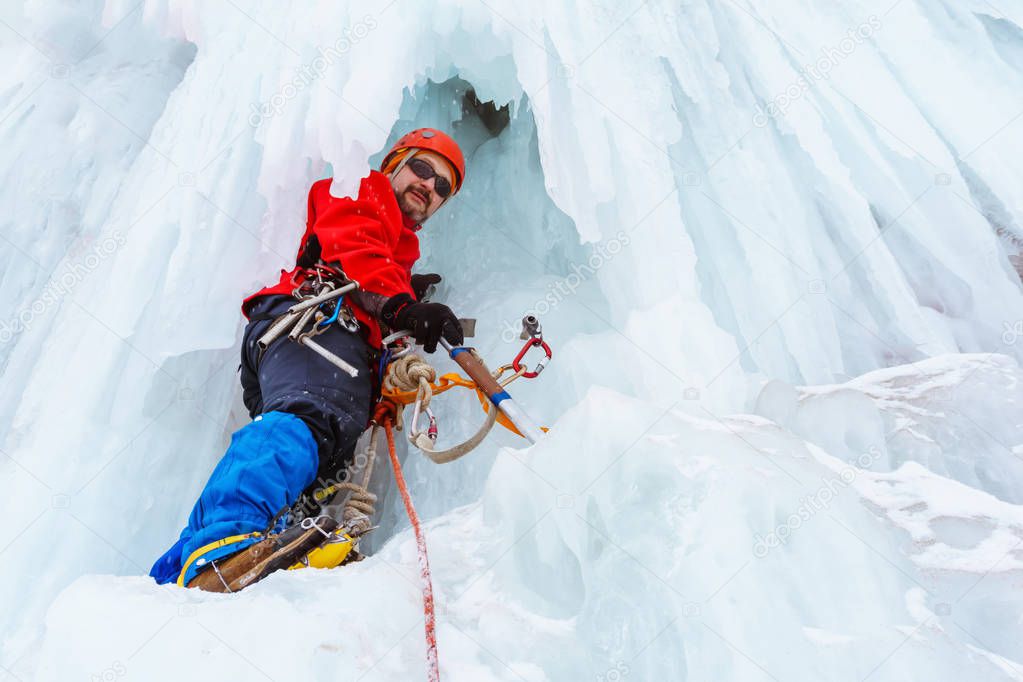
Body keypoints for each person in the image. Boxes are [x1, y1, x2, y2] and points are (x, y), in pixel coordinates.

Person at [149, 128, 467, 587]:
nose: (429, 186)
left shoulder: (400, 248)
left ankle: (181, 573)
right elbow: (356, 247)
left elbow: (372, 262)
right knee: (309, 418)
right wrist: (402, 306)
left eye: (442, 188)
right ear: (394, 165)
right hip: (316, 325)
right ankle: (226, 543)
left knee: (313, 451)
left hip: (325, 346)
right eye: (422, 169)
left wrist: (402, 299)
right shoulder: (363, 187)